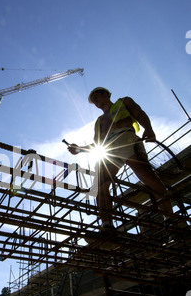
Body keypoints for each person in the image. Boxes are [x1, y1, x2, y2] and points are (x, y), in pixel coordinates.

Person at [67, 87, 173, 231]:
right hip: (108, 150)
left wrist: (148, 128)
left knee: (148, 178)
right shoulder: (99, 122)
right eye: (93, 101)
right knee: (100, 185)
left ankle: (169, 217)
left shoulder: (124, 102)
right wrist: (79, 149)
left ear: (106, 94)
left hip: (127, 139)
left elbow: (139, 113)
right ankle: (107, 225)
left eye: (97, 97)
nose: (95, 101)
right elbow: (97, 144)